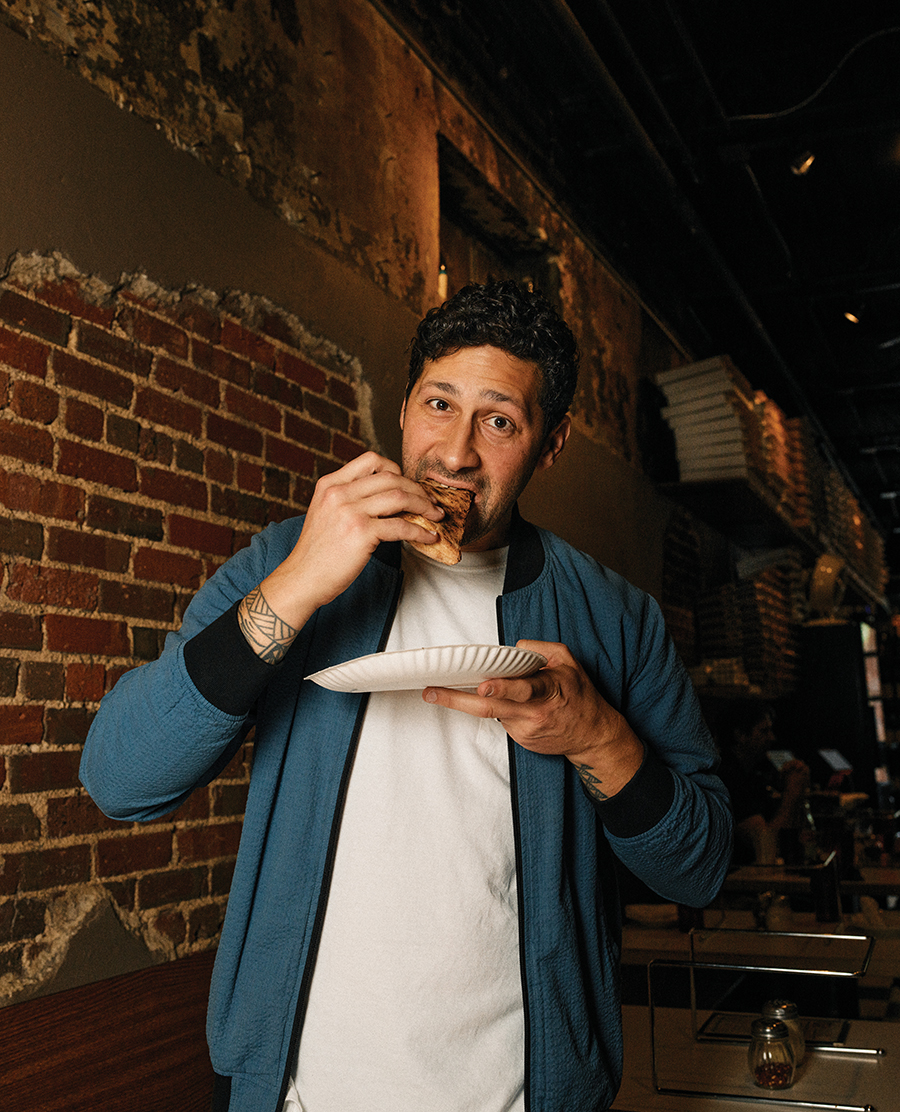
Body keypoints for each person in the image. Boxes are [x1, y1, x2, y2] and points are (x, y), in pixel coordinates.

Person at [80, 280, 733, 1112]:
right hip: (295, 1097)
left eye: (499, 421)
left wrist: (597, 736)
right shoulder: (285, 560)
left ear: (551, 444)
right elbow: (119, 780)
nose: (455, 454)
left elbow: (700, 870)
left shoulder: (615, 617)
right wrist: (297, 584)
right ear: (403, 409)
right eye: (439, 404)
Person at [715, 700, 810, 865]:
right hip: (738, 877)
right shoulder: (728, 778)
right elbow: (767, 847)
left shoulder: (753, 774)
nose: (772, 738)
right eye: (764, 731)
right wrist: (792, 792)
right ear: (740, 735)